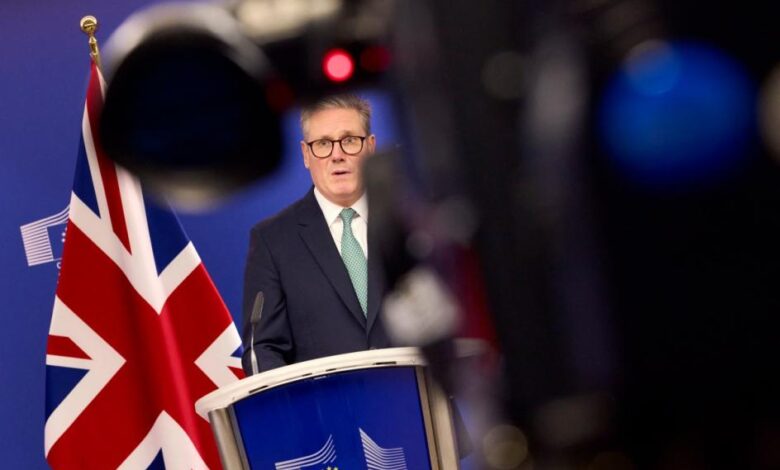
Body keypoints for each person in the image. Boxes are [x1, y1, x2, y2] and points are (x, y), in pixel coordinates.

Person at [241, 94, 390, 373]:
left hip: (417, 396)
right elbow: (264, 348)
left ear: (370, 147)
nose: (337, 155)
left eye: (349, 140)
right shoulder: (273, 241)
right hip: (327, 401)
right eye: (323, 144)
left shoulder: (404, 220)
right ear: (306, 155)